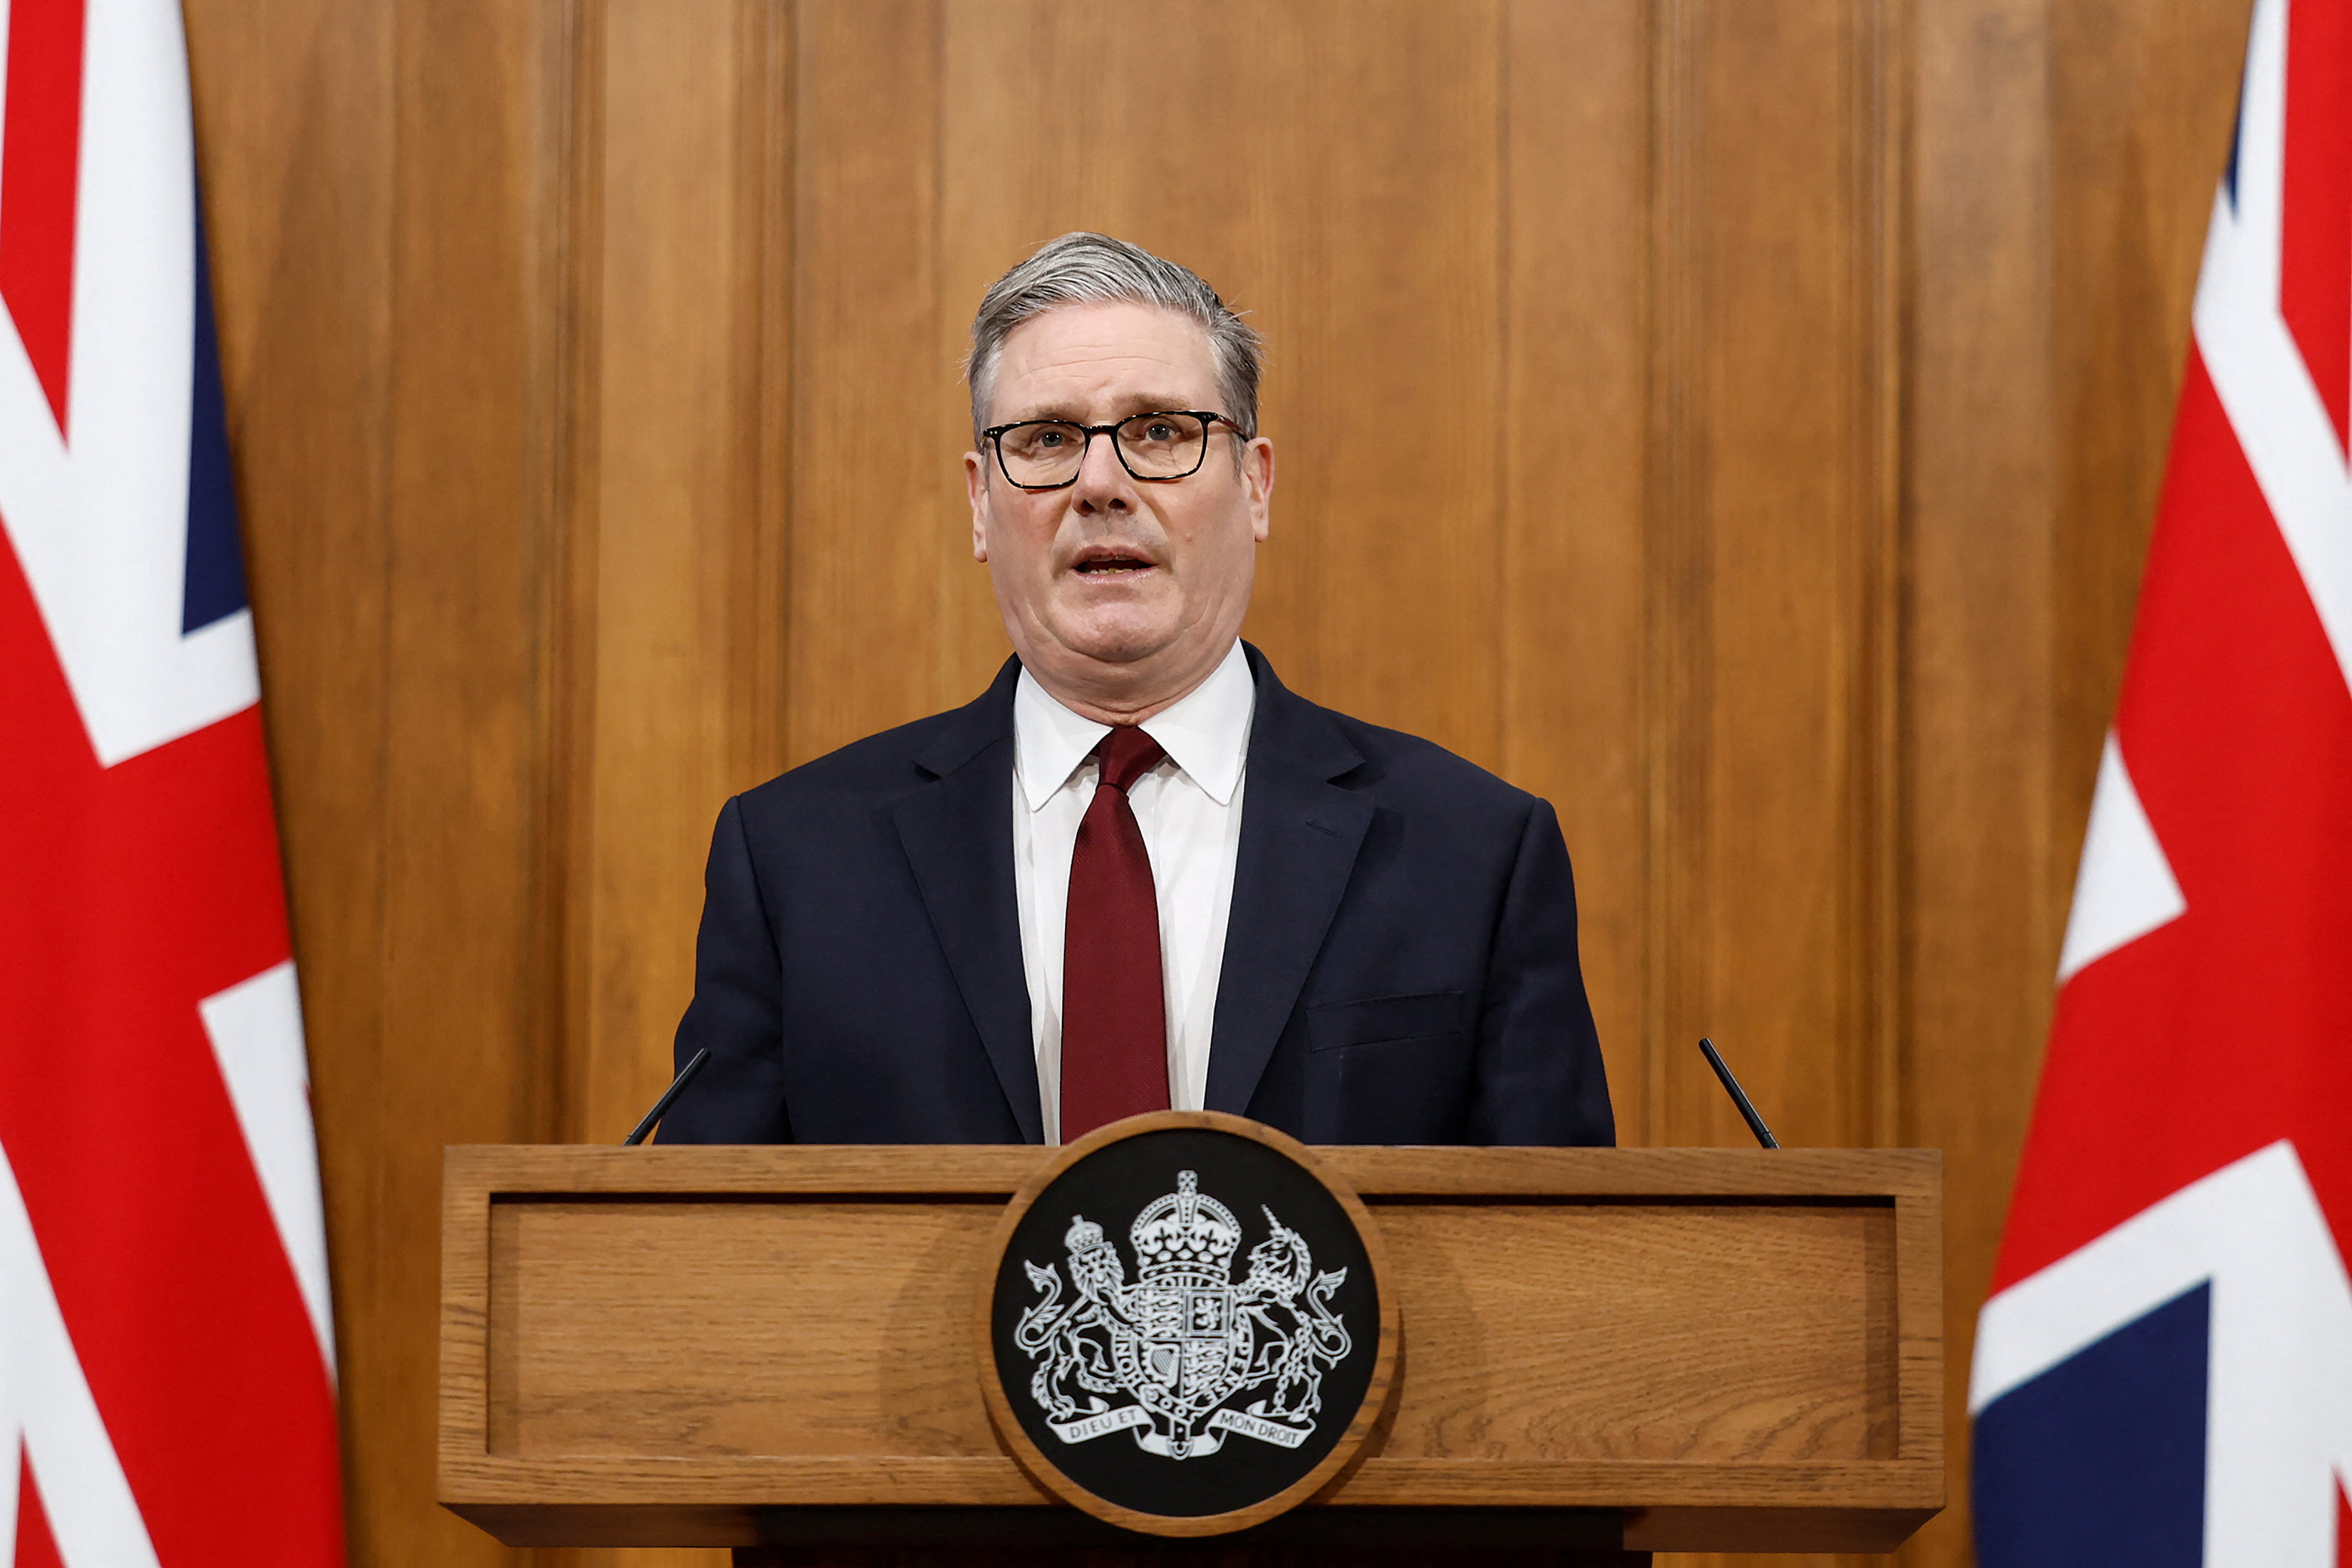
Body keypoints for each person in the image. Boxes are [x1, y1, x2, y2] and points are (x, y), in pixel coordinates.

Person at [660, 233, 1612, 1147]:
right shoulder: (795, 860)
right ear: (980, 502)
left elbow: (1560, 1237)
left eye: (1160, 432)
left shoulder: (1471, 853)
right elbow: (703, 1235)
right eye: (1046, 439)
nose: (1101, 484)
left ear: (1256, 486)